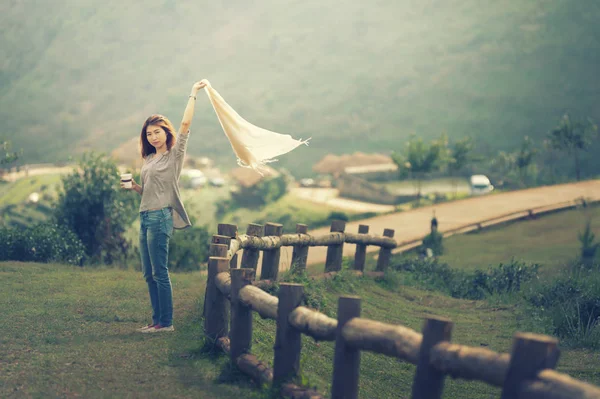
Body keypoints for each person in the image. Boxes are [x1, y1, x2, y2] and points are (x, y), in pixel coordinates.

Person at [121, 80, 207, 333]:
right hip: (145, 216)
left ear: (166, 132)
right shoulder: (148, 158)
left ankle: (166, 323)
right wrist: (135, 187)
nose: (153, 136)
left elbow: (186, 124)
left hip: (161, 218)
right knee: (149, 274)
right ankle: (157, 321)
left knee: (160, 272)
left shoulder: (175, 154)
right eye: (149, 133)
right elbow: (149, 191)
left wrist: (193, 93)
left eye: (157, 131)